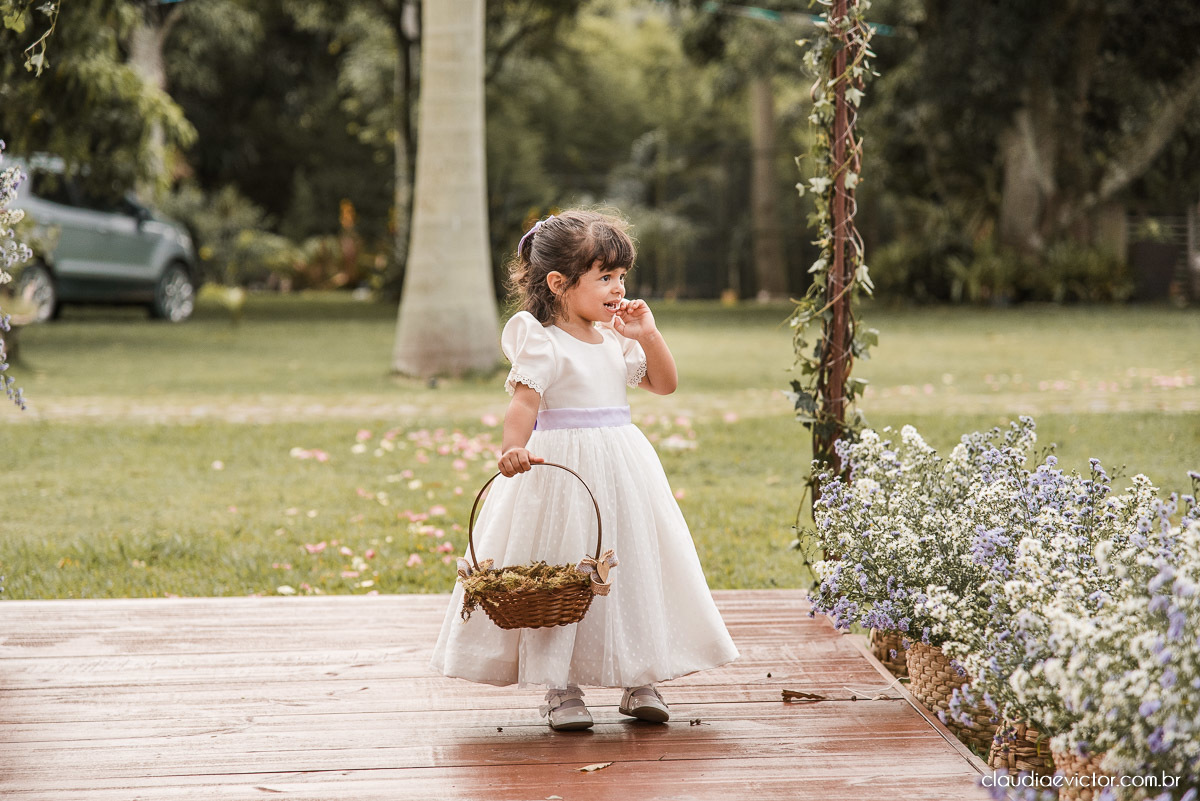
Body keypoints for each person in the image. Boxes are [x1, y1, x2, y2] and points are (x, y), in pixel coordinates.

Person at [429, 209, 738, 731]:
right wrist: (512, 448)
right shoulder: (541, 340)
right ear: (558, 283)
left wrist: (648, 334)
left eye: (622, 276)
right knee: (564, 568)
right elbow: (524, 403)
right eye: (605, 277)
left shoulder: (618, 336)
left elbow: (664, 384)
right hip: (562, 470)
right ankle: (561, 686)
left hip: (622, 465)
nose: (619, 288)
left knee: (631, 563)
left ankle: (640, 676)